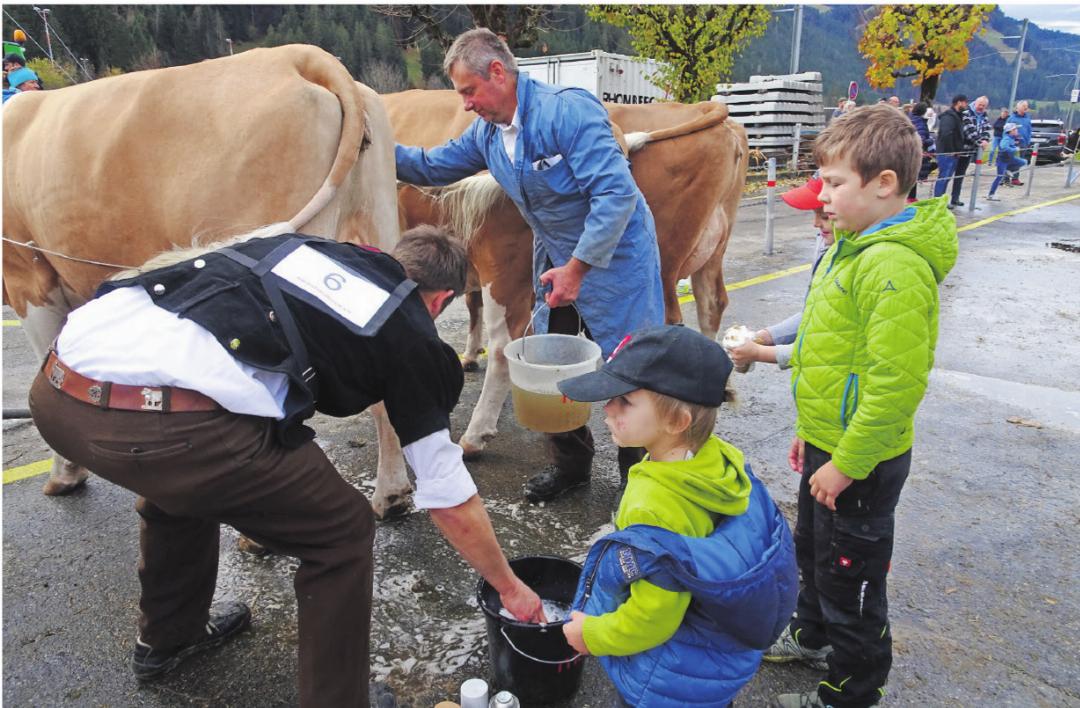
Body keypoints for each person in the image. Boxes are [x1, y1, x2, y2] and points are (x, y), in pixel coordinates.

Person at [28, 224, 546, 707]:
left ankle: (169, 636)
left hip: (57, 392)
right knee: (341, 530)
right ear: (440, 301)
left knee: (181, 483)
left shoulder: (300, 248)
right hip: (162, 429)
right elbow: (448, 495)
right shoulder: (409, 328)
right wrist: (510, 587)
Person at [395, 28, 664, 503]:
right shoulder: (488, 134)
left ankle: (637, 480)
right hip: (555, 258)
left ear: (497, 72)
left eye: (469, 91)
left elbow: (615, 195)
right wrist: (371, 144)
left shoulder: (568, 111)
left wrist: (578, 270)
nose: (466, 105)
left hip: (616, 256)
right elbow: (432, 167)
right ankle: (573, 467)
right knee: (547, 366)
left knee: (630, 367)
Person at [768, 104, 959, 708]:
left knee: (851, 578)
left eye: (834, 183)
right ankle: (811, 633)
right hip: (833, 441)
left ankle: (850, 691)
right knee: (815, 553)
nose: (822, 196)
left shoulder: (893, 266)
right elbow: (833, 356)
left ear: (884, 184)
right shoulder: (851, 248)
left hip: (865, 460)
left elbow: (894, 385)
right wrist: (812, 431)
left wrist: (848, 460)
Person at [557, 325, 797, 708]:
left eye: (624, 400)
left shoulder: (653, 505)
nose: (607, 408)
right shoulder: (718, 459)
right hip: (714, 660)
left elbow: (654, 617)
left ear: (677, 422)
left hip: (670, 679)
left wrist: (593, 634)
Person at [729, 175, 834, 371]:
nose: (815, 223)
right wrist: (766, 337)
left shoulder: (867, 263)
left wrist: (762, 353)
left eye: (826, 215)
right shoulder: (827, 244)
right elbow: (815, 314)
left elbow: (834, 347)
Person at [952, 95, 992, 208]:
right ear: (975, 103)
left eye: (984, 106)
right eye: (980, 105)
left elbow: (987, 128)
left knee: (960, 175)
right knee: (949, 174)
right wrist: (980, 142)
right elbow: (968, 130)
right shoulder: (966, 113)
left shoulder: (984, 115)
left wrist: (985, 140)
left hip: (971, 150)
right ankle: (940, 198)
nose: (981, 107)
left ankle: (955, 198)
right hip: (960, 148)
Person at [932, 94, 968, 206]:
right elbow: (946, 134)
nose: (966, 105)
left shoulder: (957, 116)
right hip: (947, 152)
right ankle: (938, 201)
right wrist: (952, 150)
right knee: (943, 177)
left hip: (953, 153)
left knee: (947, 178)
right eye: (965, 102)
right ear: (959, 102)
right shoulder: (949, 117)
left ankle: (942, 200)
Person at [986, 123, 1027, 201]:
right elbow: (1004, 147)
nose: (1017, 130)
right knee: (999, 177)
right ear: (1010, 131)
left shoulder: (1013, 138)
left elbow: (1021, 143)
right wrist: (1014, 149)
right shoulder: (1006, 139)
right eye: (1015, 129)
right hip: (1002, 160)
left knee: (1023, 162)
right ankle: (991, 195)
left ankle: (1008, 170)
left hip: (1010, 159)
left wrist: (1018, 142)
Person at [906, 101, 936, 202]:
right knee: (915, 173)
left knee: (912, 174)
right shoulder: (920, 122)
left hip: (910, 150)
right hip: (917, 151)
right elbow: (921, 139)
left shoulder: (911, 118)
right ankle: (911, 197)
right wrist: (931, 140)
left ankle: (911, 197)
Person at [1007, 100, 1033, 186]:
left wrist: (1028, 141)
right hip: (1013, 143)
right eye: (1023, 106)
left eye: (1026, 106)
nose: (1026, 107)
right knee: (1010, 160)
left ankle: (1015, 178)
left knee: (1019, 161)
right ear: (1018, 108)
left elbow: (1029, 131)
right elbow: (1006, 130)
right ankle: (1005, 178)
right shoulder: (1012, 118)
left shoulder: (1027, 118)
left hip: (1024, 144)